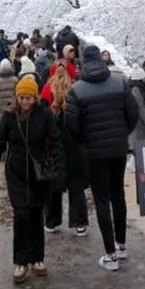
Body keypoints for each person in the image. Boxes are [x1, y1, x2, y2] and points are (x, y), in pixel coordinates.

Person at [65, 44, 139, 272]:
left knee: (101, 199)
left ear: (83, 63)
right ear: (101, 59)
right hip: (118, 148)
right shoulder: (119, 83)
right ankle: (122, 245)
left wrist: (84, 141)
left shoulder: (77, 90)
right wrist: (121, 134)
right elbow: (133, 114)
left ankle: (110, 254)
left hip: (94, 152)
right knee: (118, 194)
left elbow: (72, 124)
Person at [0, 76, 64, 283]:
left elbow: (56, 141)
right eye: (21, 98)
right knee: (21, 216)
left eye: (28, 98)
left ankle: (37, 258)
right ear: (16, 97)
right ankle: (21, 260)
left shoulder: (44, 115)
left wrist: (58, 168)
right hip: (16, 172)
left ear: (35, 97)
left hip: (39, 172)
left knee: (36, 215)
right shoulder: (10, 117)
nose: (24, 102)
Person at [44, 63, 90, 236]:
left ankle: (52, 221)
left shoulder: (47, 90)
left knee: (54, 185)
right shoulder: (77, 91)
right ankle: (79, 223)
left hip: (54, 144)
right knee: (76, 186)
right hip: (74, 144)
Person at [126, 66, 145, 155]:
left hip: (134, 123)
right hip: (138, 124)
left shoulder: (131, 87)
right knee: (138, 147)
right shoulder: (136, 90)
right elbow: (141, 108)